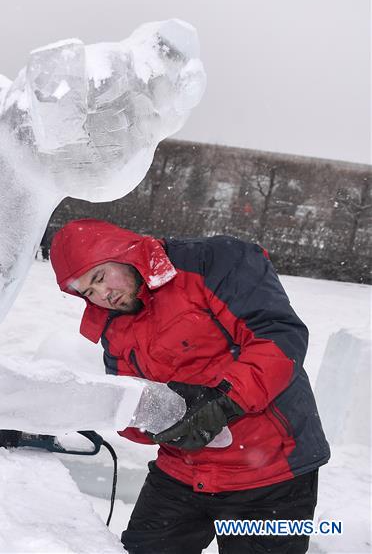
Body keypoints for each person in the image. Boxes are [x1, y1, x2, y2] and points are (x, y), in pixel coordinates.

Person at [49, 218, 329, 554]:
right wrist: (148, 417)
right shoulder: (112, 322)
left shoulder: (212, 261)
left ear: (124, 252)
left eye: (99, 278)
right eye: (89, 292)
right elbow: (131, 399)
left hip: (270, 474)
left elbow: (278, 337)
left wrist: (223, 402)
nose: (103, 296)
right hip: (182, 470)